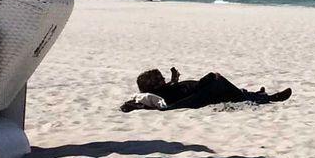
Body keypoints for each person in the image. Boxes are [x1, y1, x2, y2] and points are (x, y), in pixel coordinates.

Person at [122, 67, 291, 111]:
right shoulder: (164, 94)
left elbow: (174, 89)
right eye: (160, 79)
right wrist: (209, 77)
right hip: (201, 94)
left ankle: (257, 95)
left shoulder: (163, 91)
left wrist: (174, 80)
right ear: (154, 85)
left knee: (224, 87)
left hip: (200, 93)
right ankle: (268, 98)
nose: (163, 80)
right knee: (219, 81)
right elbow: (189, 91)